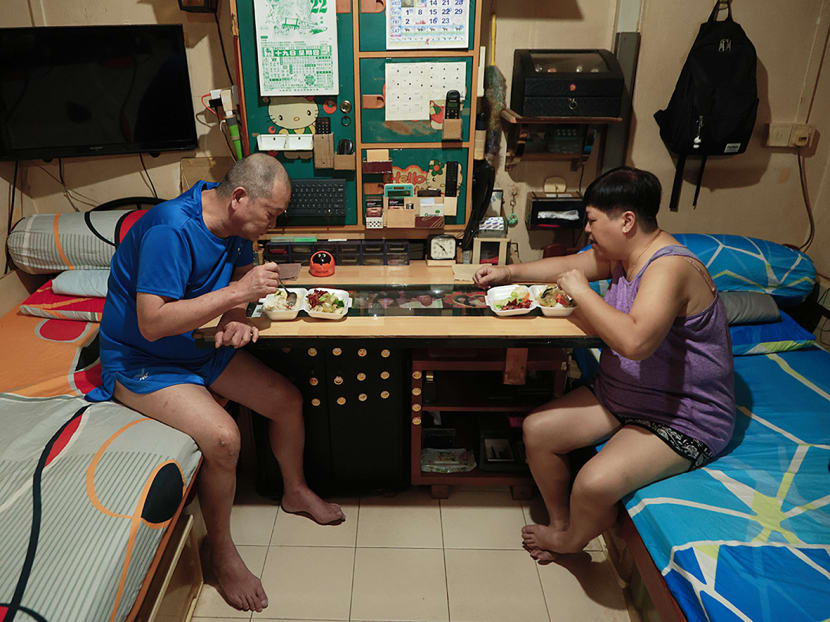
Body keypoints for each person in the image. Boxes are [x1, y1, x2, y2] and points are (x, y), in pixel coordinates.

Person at [87, 153, 344, 612]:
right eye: (272, 214)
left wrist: (236, 316)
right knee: (224, 439)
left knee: (286, 400)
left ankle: (295, 490)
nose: (273, 223)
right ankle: (220, 553)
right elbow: (151, 322)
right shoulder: (170, 229)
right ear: (240, 198)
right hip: (140, 359)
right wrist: (237, 297)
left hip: (194, 348)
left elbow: (239, 279)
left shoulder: (234, 225)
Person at [474, 166, 735, 563]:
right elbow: (572, 265)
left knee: (594, 483)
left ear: (626, 220)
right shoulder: (623, 255)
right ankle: (561, 524)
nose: (589, 231)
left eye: (593, 220)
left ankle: (570, 540)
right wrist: (509, 272)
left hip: (680, 415)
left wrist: (579, 290)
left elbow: (634, 342)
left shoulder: (670, 267)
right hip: (622, 395)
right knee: (538, 430)